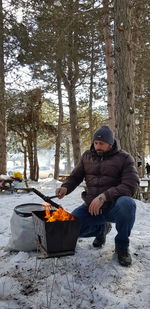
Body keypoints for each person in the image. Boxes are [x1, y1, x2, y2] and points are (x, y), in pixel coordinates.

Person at [56, 126, 139, 267]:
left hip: (114, 207)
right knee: (71, 228)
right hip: (91, 207)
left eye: (101, 143)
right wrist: (65, 187)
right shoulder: (87, 156)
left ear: (110, 144)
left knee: (128, 204)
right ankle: (102, 229)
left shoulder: (124, 158)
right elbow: (75, 176)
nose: (98, 146)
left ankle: (122, 246)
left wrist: (104, 196)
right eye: (95, 143)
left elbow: (131, 184)